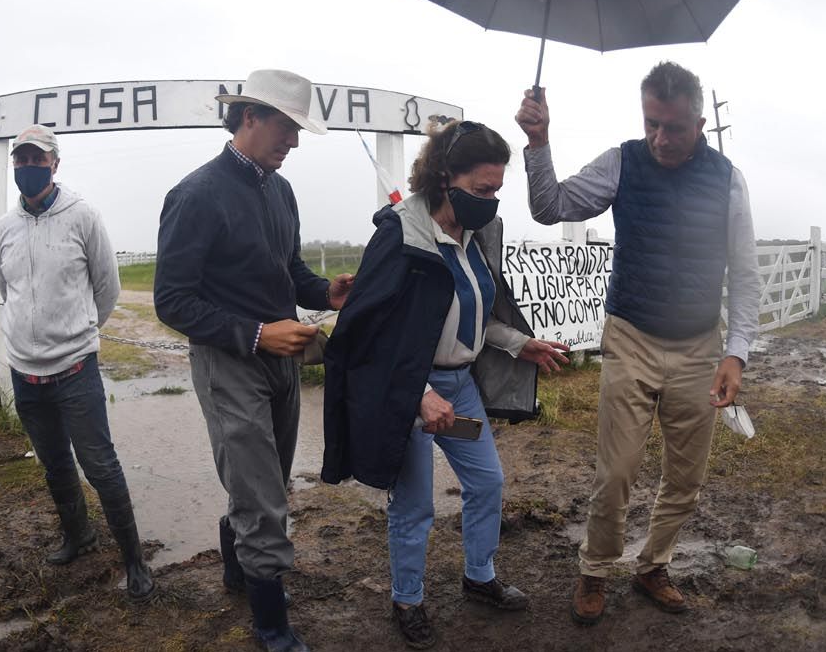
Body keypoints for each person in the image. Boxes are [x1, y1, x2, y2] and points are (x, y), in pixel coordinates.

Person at [515, 61, 761, 624]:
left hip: (701, 347)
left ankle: (653, 565)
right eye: (651, 122)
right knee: (617, 469)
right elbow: (550, 206)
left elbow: (745, 273)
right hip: (630, 337)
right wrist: (538, 142)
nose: (660, 138)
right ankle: (595, 569)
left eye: (673, 127)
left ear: (700, 122)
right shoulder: (622, 162)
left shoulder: (728, 179)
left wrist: (735, 353)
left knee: (686, 476)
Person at [321, 121, 569, 649]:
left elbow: (475, 314)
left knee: (488, 484)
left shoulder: (475, 237)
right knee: (414, 507)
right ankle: (407, 599)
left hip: (460, 389)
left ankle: (479, 576)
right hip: (413, 394)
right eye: (482, 190)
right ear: (443, 178)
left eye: (497, 190)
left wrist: (516, 342)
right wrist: (416, 395)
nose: (491, 200)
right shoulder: (400, 238)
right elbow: (367, 337)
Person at [155, 69, 352, 652]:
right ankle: (272, 628)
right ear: (249, 119)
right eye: (287, 129)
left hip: (280, 359)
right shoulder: (195, 194)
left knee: (268, 482)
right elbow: (171, 300)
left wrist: (323, 293)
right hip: (229, 361)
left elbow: (285, 269)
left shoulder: (279, 188)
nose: (293, 143)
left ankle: (241, 562)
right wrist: (256, 333)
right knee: (263, 496)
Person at [0, 123, 154, 602]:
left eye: (36, 159)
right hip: (26, 374)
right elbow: (7, 291)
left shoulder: (83, 216)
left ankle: (134, 560)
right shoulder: (3, 229)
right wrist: (30, 336)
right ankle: (78, 535)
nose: (27, 167)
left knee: (100, 466)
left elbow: (107, 289)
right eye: (20, 160)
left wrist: (78, 332)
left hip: (75, 370)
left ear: (55, 164)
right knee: (55, 464)